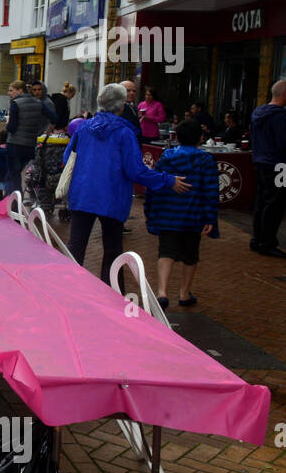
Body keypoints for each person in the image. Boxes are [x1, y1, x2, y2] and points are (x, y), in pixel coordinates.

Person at [63, 83, 190, 285]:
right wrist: (167, 180)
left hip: (82, 193)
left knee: (76, 245)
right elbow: (135, 170)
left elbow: (68, 157)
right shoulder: (125, 133)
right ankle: (112, 294)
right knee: (112, 249)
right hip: (112, 197)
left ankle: (66, 289)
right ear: (121, 106)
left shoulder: (84, 128)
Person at [145, 119, 218, 309]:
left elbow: (155, 184)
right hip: (193, 215)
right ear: (200, 138)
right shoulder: (205, 160)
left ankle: (162, 291)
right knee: (190, 255)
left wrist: (150, 211)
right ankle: (184, 294)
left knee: (166, 251)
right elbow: (210, 190)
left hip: (168, 215)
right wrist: (210, 216)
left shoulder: (166, 157)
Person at [249, 79, 286, 259]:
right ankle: (267, 243)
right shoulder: (280, 116)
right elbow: (284, 144)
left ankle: (257, 239)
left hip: (260, 162)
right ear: (284, 94)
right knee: (275, 203)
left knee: (261, 201)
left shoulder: (258, 112)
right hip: (279, 165)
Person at [4, 80, 47, 198]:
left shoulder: (15, 103)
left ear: (20, 91)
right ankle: (9, 198)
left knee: (13, 174)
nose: (9, 93)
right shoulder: (38, 103)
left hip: (15, 144)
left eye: (11, 90)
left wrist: (7, 124)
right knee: (13, 173)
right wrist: (40, 130)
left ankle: (15, 199)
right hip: (29, 145)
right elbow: (53, 117)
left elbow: (12, 128)